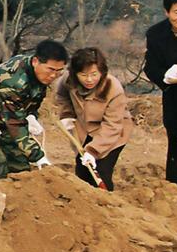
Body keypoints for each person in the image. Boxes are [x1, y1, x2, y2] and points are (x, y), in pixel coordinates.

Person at [0, 39, 69, 179]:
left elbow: (31, 103)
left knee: (20, 168)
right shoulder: (12, 81)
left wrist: (31, 116)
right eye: (50, 69)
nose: (53, 75)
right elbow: (15, 124)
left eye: (59, 71)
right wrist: (38, 156)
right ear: (36, 61)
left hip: (6, 119)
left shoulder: (38, 74)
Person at [55, 47, 132, 191]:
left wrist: (93, 151)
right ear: (75, 73)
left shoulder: (113, 89)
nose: (89, 79)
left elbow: (112, 126)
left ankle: (106, 201)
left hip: (112, 133)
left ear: (102, 72)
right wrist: (67, 114)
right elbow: (62, 95)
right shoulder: (68, 80)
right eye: (83, 75)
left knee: (100, 172)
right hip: (84, 130)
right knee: (82, 172)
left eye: (94, 74)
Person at [144, 0, 177, 186]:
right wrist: (165, 78)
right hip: (174, 95)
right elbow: (150, 66)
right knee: (176, 138)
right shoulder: (156, 34)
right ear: (167, 12)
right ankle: (175, 186)